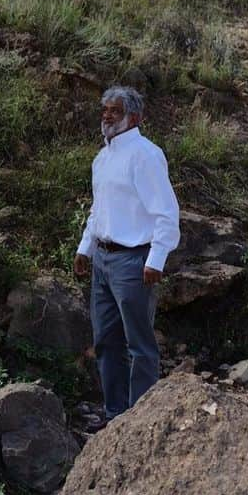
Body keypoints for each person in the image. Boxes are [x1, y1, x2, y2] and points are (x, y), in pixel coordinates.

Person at [73, 85, 180, 421]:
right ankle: (114, 415)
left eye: (115, 111)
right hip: (103, 260)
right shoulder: (102, 158)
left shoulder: (146, 155)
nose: (107, 115)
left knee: (140, 346)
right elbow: (98, 209)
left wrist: (156, 258)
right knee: (106, 342)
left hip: (135, 261)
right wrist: (84, 249)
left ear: (134, 117)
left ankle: (140, 421)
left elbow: (166, 212)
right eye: (105, 109)